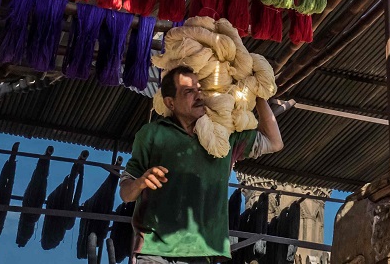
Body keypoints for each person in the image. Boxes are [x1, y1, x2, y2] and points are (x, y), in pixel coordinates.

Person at [120, 65, 284, 264]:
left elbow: (274, 142)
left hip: (203, 253)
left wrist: (257, 93)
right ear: (170, 102)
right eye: (189, 92)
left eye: (199, 90)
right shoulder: (152, 134)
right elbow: (125, 193)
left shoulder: (224, 136)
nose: (199, 96)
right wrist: (140, 182)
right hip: (155, 251)